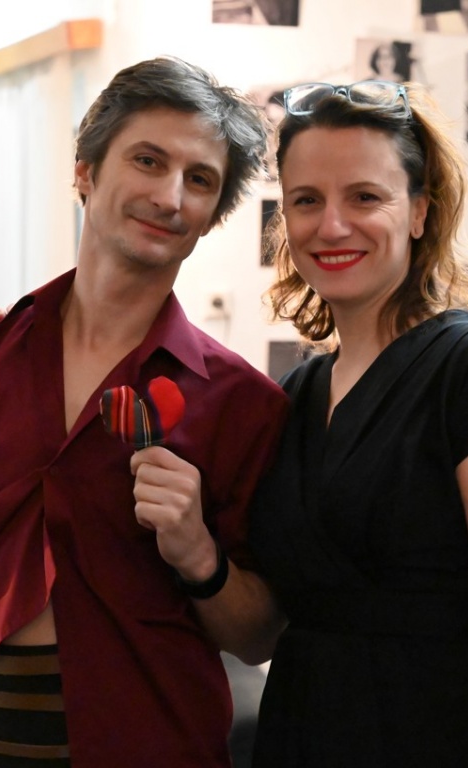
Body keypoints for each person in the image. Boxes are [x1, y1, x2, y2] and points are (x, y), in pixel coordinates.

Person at [0, 56, 289, 768]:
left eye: (199, 180)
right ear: (85, 171)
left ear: (211, 215)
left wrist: (198, 555)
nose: (169, 197)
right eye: (148, 160)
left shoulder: (246, 406)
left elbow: (258, 637)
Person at [245, 80, 468, 766]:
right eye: (306, 200)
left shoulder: (457, 366)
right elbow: (259, 631)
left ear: (420, 211)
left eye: (365, 197)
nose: (332, 226)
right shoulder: (292, 397)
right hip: (297, 733)